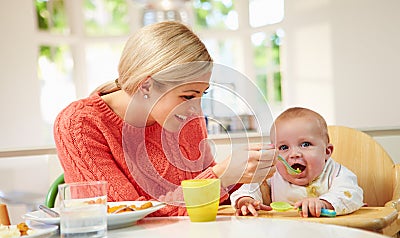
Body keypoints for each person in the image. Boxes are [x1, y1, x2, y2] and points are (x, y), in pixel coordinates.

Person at [54, 21, 276, 216]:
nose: (196, 109)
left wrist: (246, 182)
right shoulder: (79, 125)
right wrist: (221, 177)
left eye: (201, 95)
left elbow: (207, 199)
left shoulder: (187, 118)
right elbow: (124, 214)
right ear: (147, 85)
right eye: (188, 96)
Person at [230, 107, 364, 217]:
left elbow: (351, 194)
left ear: (327, 151)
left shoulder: (336, 173)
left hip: (330, 236)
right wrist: (246, 201)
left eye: (305, 144)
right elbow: (248, 188)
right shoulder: (272, 175)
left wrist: (324, 203)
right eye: (284, 147)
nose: (294, 154)